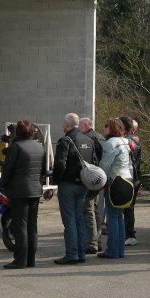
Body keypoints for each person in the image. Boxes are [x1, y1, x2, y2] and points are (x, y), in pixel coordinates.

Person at [0, 120, 45, 269]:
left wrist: (2, 184)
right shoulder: (39, 147)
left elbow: (7, 169)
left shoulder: (16, 147)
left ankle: (20, 260)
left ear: (18, 132)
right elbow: (43, 171)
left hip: (19, 192)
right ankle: (31, 260)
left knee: (20, 227)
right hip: (35, 191)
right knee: (32, 226)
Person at [52, 113, 96, 265]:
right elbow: (95, 161)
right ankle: (81, 252)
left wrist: (55, 181)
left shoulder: (65, 140)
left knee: (69, 220)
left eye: (63, 123)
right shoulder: (89, 140)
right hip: (83, 184)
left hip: (68, 184)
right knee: (80, 218)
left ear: (67, 124)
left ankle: (72, 254)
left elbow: (60, 164)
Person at [97, 119, 133, 259]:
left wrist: (99, 180)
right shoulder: (125, 141)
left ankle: (112, 250)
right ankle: (120, 251)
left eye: (106, 126)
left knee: (112, 217)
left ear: (111, 128)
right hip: (127, 180)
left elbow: (105, 165)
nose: (104, 129)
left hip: (115, 181)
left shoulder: (110, 143)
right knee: (119, 217)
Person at [80, 116, 105, 254]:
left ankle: (92, 243)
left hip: (91, 177)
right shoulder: (101, 136)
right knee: (96, 210)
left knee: (89, 210)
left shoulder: (88, 139)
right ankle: (98, 241)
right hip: (100, 177)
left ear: (85, 125)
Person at [123, 117, 141, 246]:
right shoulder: (136, 141)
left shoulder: (126, 142)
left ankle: (129, 234)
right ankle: (129, 233)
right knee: (130, 208)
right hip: (136, 177)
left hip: (128, 177)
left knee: (126, 208)